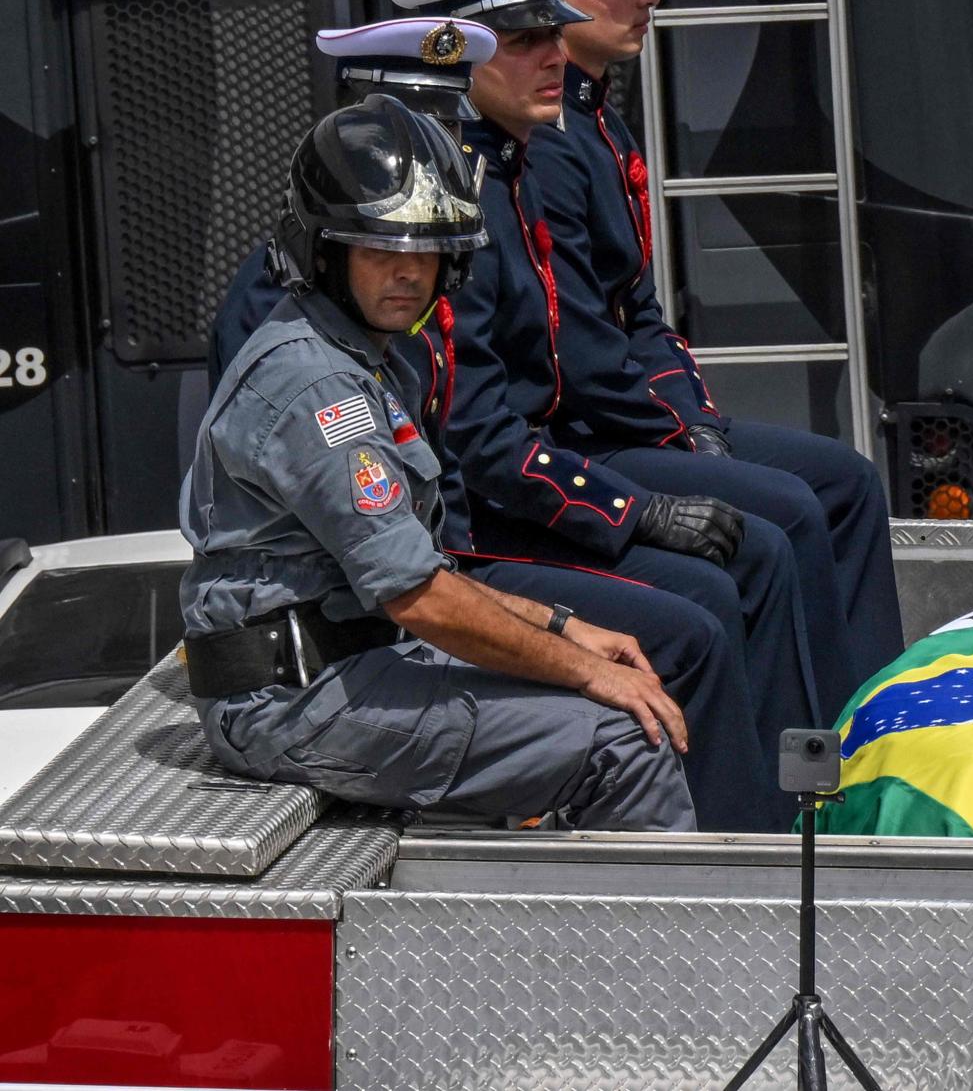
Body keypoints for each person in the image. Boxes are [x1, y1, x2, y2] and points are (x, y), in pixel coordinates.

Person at [180, 96, 707, 829]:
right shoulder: (321, 383)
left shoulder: (362, 358)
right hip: (298, 700)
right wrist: (580, 664)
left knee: (615, 683)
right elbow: (418, 597)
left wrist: (566, 629)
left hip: (347, 666)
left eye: (424, 251)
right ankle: (661, 945)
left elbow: (422, 579)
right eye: (380, 251)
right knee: (626, 739)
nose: (407, 273)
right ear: (324, 254)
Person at [461, 0, 903, 712]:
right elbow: (580, 358)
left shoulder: (590, 119)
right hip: (582, 436)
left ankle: (863, 720)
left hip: (624, 419)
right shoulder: (538, 151)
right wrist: (681, 434)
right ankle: (811, 762)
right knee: (783, 520)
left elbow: (640, 312)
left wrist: (694, 423)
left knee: (844, 482)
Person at [389, 0, 823, 773]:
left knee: (770, 534)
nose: (555, 56)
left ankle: (808, 797)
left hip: (529, 484)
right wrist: (633, 508)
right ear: (457, 63)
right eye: (525, 42)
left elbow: (627, 315)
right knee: (712, 594)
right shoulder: (455, 208)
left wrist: (685, 427)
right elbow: (479, 435)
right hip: (472, 531)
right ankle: (754, 843)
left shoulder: (509, 171)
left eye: (556, 33)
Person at [208, 16, 499, 381]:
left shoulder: (441, 254)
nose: (433, 153)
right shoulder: (281, 288)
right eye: (412, 130)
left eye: (448, 128)